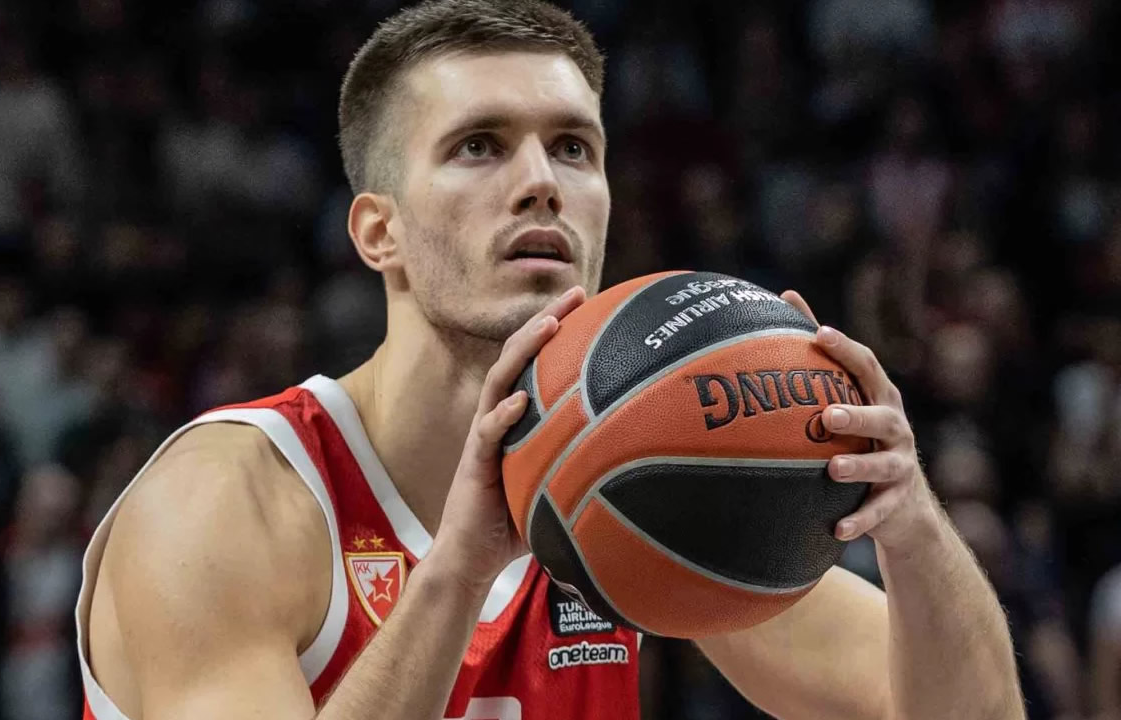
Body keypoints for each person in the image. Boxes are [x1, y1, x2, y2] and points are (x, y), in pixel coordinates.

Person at [75, 2, 1024, 718]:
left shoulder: (635, 488)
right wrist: (458, 572)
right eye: (479, 147)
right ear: (378, 232)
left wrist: (910, 524)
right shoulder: (224, 500)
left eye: (573, 148)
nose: (541, 183)